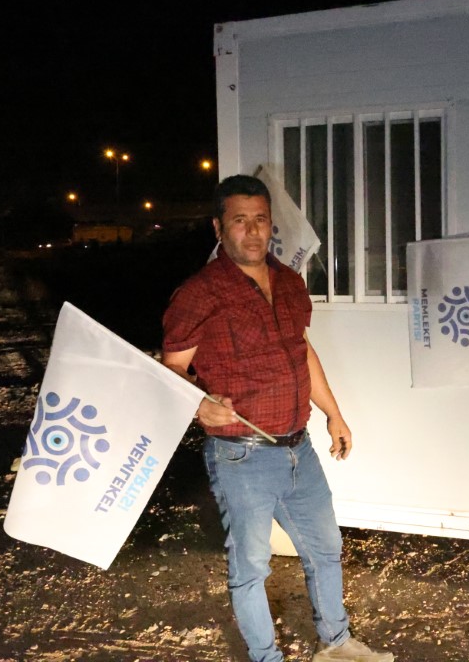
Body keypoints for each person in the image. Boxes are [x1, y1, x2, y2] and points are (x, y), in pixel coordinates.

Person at [162, 174, 393, 662]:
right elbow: (172, 370)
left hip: (298, 448)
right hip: (241, 455)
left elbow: (301, 351)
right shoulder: (199, 294)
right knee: (251, 568)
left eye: (260, 220)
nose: (252, 231)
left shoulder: (289, 283)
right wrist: (199, 404)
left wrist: (333, 414)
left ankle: (335, 644)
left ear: (271, 225)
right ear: (218, 227)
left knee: (325, 548)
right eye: (239, 220)